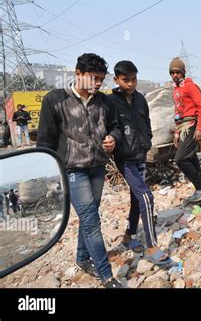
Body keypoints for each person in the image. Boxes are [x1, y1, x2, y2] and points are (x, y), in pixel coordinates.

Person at [37, 53, 123, 288]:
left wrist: (112, 139)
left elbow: (116, 127)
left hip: (97, 167)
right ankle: (106, 276)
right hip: (73, 170)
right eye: (93, 78)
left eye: (101, 80)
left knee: (89, 216)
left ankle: (82, 258)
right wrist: (51, 176)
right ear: (77, 74)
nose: (97, 84)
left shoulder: (104, 102)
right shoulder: (55, 100)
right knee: (91, 220)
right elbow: (45, 142)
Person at [108, 60, 172, 267]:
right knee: (146, 195)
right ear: (116, 79)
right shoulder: (111, 102)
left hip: (141, 154)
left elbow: (146, 122)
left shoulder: (140, 99)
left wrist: (148, 139)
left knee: (137, 198)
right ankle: (152, 246)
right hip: (125, 158)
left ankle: (128, 236)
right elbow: (110, 127)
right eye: (126, 80)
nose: (131, 84)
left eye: (134, 79)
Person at [170, 57, 201, 203]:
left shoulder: (190, 86)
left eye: (177, 72)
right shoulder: (176, 90)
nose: (175, 75)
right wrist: (176, 132)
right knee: (191, 158)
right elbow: (177, 112)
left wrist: (199, 128)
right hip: (182, 126)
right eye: (172, 72)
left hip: (192, 124)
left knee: (180, 159)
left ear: (183, 72)